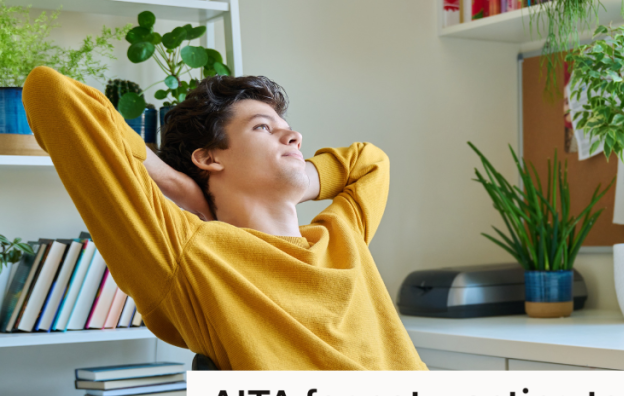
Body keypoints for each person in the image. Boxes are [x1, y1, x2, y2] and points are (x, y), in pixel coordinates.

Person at [22, 66, 426, 371]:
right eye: (263, 127)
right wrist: (173, 182)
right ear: (209, 158)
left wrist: (299, 181)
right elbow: (50, 93)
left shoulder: (341, 234)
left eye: (289, 130)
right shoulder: (190, 252)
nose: (293, 138)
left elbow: (371, 162)